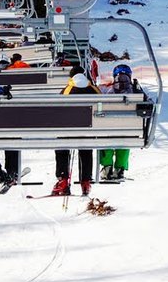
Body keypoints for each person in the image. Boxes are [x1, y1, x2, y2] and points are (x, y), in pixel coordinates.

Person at [53, 64, 100, 197]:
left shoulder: (67, 89)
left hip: (69, 128)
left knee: (61, 146)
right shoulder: (93, 89)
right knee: (86, 147)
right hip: (89, 129)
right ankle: (85, 181)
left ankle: (62, 179)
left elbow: (58, 110)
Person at [98, 63, 143, 181]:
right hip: (129, 130)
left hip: (108, 129)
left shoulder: (107, 89)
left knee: (104, 137)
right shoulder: (135, 90)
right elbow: (146, 102)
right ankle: (120, 168)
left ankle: (107, 167)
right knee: (126, 139)